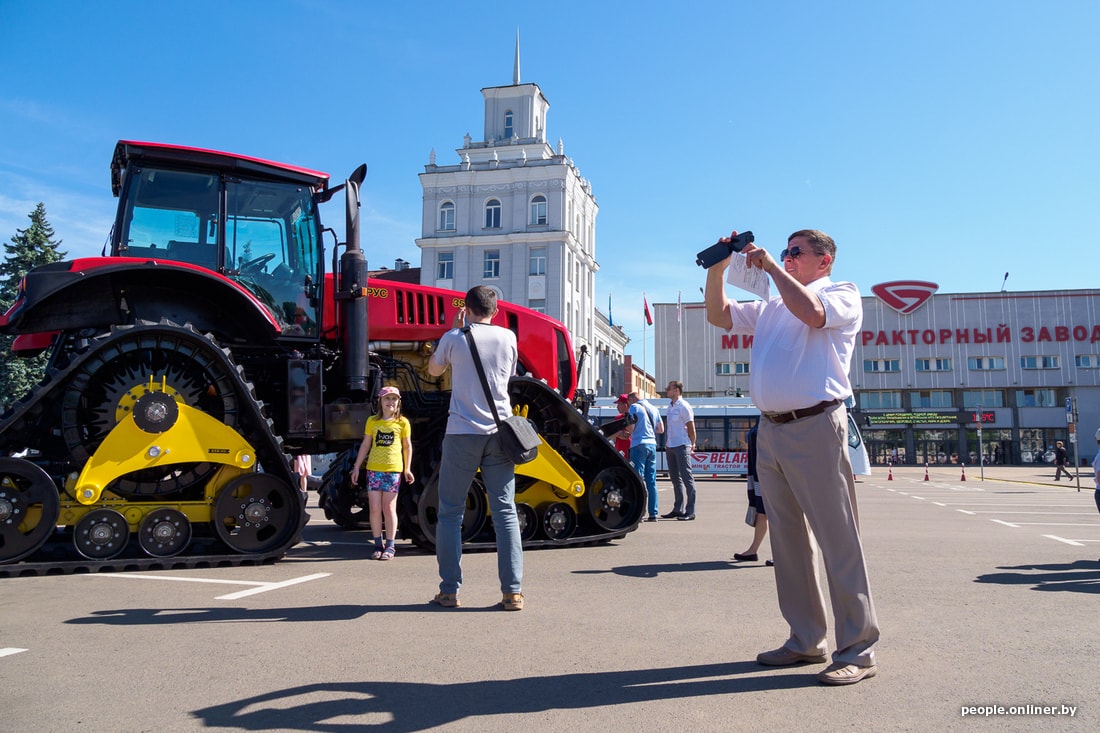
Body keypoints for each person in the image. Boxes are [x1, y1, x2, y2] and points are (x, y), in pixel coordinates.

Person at [705, 228, 879, 686]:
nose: (786, 256)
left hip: (816, 424)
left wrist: (770, 268)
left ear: (824, 260)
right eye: (784, 251)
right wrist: (718, 268)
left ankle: (858, 650)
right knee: (787, 543)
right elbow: (719, 315)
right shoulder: (772, 306)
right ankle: (805, 639)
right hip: (772, 429)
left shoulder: (841, 293)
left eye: (796, 251)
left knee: (838, 541)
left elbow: (813, 314)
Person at [426, 286, 524, 611]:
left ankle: (449, 591)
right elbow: (509, 377)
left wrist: (455, 330)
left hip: (462, 433)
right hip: (500, 433)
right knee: (505, 511)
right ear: (496, 311)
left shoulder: (454, 337)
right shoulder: (508, 338)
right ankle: (512, 592)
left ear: (466, 309)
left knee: (450, 512)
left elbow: (434, 370)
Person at [350, 386, 414, 560]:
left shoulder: (402, 422)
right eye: (387, 398)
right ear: (380, 401)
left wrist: (407, 468)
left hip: (393, 470)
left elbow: (407, 446)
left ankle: (390, 545)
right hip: (374, 470)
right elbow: (366, 444)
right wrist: (357, 466)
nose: (390, 402)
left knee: (389, 507)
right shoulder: (372, 421)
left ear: (399, 402)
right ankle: (378, 544)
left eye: (394, 399)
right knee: (375, 508)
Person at [733, 424, 771, 565]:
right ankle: (753, 550)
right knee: (762, 513)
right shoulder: (764, 420)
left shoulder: (773, 422)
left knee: (774, 515)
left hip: (769, 475)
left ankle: (781, 554)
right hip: (759, 474)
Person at [662, 380, 698, 520]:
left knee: (687, 478)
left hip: (682, 445)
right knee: (675, 479)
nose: (666, 390)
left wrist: (692, 443)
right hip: (670, 445)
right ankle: (678, 508)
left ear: (676, 390)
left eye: (669, 388)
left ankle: (690, 511)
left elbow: (691, 427)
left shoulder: (684, 406)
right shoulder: (670, 406)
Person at [626, 391, 664, 521]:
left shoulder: (634, 407)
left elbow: (631, 427)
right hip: (652, 444)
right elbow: (661, 429)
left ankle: (639, 513)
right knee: (651, 481)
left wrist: (631, 430)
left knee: (638, 479)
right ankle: (653, 514)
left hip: (638, 444)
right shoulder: (654, 408)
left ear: (631, 399)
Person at [612, 394, 632, 460]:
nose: (617, 407)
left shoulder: (632, 417)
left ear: (625, 405)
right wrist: (619, 433)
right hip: (619, 451)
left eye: (619, 404)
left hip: (629, 451)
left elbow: (627, 436)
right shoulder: (618, 418)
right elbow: (611, 434)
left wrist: (618, 434)